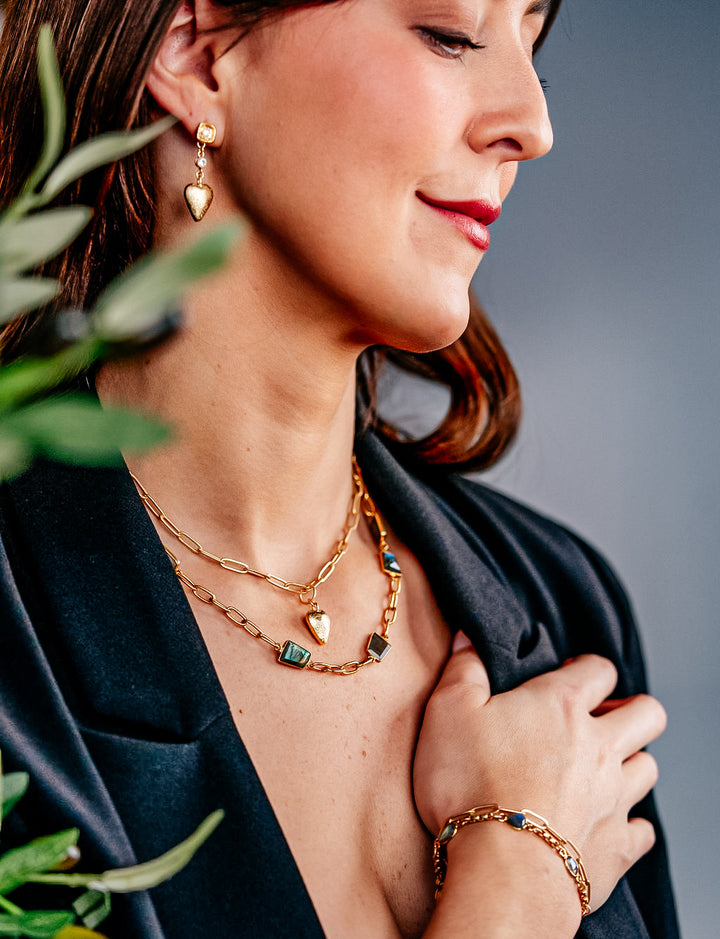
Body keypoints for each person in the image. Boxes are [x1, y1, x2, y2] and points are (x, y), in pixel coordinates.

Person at [0, 1, 679, 937]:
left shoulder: (560, 608)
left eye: (533, 43)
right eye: (452, 33)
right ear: (196, 55)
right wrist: (512, 885)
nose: (533, 124)